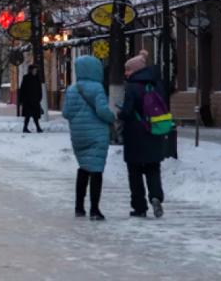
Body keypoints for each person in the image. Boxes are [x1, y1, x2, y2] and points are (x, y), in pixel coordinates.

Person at [63, 55, 114, 221]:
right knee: (96, 170)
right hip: (97, 135)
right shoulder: (97, 88)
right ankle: (94, 209)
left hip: (78, 136)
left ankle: (79, 207)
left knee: (84, 168)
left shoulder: (72, 89)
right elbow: (102, 111)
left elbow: (66, 113)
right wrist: (112, 117)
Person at [121, 50, 167, 218]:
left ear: (135, 70)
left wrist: (121, 114)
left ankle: (139, 207)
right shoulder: (157, 84)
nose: (126, 73)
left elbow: (127, 111)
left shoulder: (132, 87)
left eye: (128, 70)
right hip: (154, 131)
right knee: (153, 168)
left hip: (135, 135)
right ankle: (155, 197)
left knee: (135, 172)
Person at [18, 65, 43, 133]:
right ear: (31, 70)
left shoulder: (37, 78)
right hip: (27, 101)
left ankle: (38, 128)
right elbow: (22, 89)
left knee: (35, 116)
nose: (35, 71)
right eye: (34, 70)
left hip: (35, 100)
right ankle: (25, 128)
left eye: (36, 70)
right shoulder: (26, 78)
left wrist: (40, 97)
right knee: (28, 115)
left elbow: (39, 89)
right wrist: (21, 100)